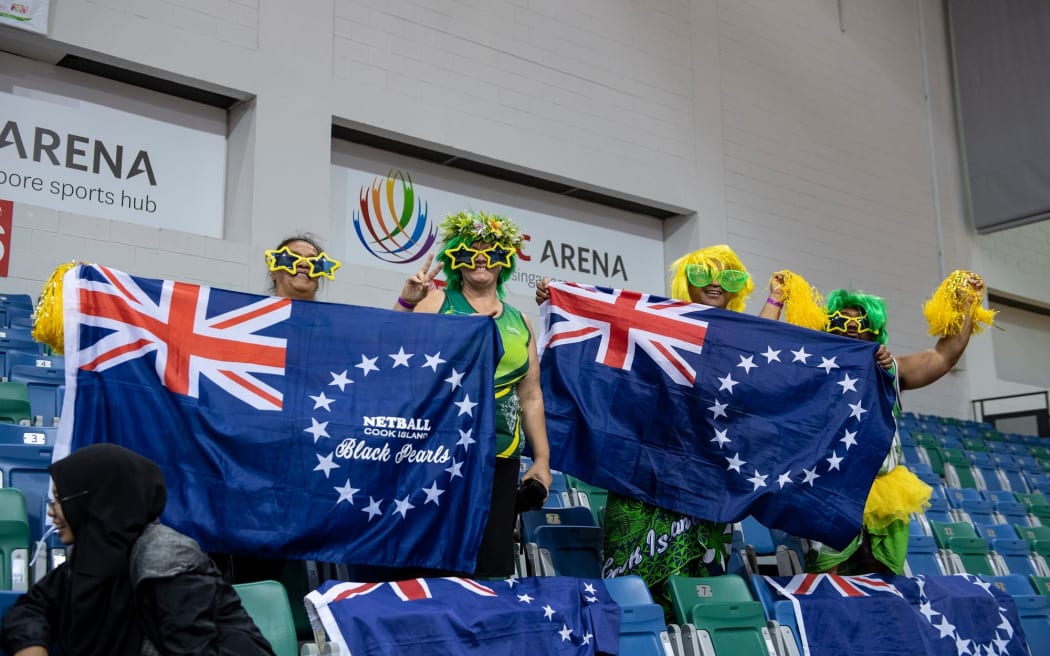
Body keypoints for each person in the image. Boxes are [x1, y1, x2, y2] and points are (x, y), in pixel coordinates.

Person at [538, 244, 783, 614]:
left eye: (726, 276)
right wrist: (558, 297)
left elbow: (765, 347)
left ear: (737, 288)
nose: (715, 283)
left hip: (707, 484)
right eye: (704, 274)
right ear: (687, 280)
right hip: (641, 475)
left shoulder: (741, 339)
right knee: (634, 597)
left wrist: (776, 300)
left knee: (701, 595)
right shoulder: (656, 323)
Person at [766, 271, 994, 575]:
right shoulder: (810, 370)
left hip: (884, 489)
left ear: (874, 332)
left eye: (860, 322)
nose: (850, 328)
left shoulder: (890, 370)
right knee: (827, 576)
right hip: (829, 486)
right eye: (840, 320)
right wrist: (775, 300)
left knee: (884, 575)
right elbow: (764, 349)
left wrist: (966, 306)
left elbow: (943, 357)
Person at [0, 443, 274, 656]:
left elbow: (191, 650)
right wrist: (32, 647)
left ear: (97, 502)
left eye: (59, 500)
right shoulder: (91, 557)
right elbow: (31, 608)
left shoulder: (165, 561)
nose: (51, 512)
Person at [395, 210, 553, 578]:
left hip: (499, 455)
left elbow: (531, 396)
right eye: (468, 250)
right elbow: (393, 352)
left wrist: (542, 460)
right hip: (439, 450)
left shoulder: (521, 320)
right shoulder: (436, 302)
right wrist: (406, 302)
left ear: (506, 261)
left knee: (492, 561)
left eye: (491, 250)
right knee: (436, 557)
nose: (480, 258)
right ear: (453, 259)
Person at [264, 234, 341, 301]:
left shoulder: (337, 317)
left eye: (313, 262)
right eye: (291, 258)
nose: (304, 264)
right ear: (273, 273)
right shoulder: (254, 315)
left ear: (319, 275)